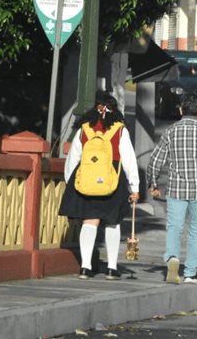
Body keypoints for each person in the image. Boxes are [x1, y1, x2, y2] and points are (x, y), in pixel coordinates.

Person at [59, 91, 140, 280]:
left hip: (87, 179)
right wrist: (134, 187)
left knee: (89, 221)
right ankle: (111, 268)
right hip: (113, 178)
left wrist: (71, 181)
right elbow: (129, 159)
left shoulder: (84, 129)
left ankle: (85, 267)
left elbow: (72, 159)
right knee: (112, 222)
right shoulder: (120, 130)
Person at [147, 92, 197, 285]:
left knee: (174, 226)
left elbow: (155, 160)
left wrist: (153, 183)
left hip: (176, 190)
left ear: (181, 110)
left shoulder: (171, 131)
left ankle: (172, 258)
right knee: (196, 230)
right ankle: (190, 272)